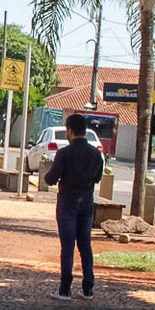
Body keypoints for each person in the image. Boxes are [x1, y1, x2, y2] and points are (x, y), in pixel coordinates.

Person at [43, 112, 103, 300]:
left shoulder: (64, 154)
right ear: (84, 131)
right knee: (85, 246)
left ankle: (64, 289)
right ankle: (88, 288)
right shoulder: (96, 154)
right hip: (86, 203)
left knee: (67, 246)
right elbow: (98, 178)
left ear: (69, 131)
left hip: (67, 203)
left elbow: (50, 179)